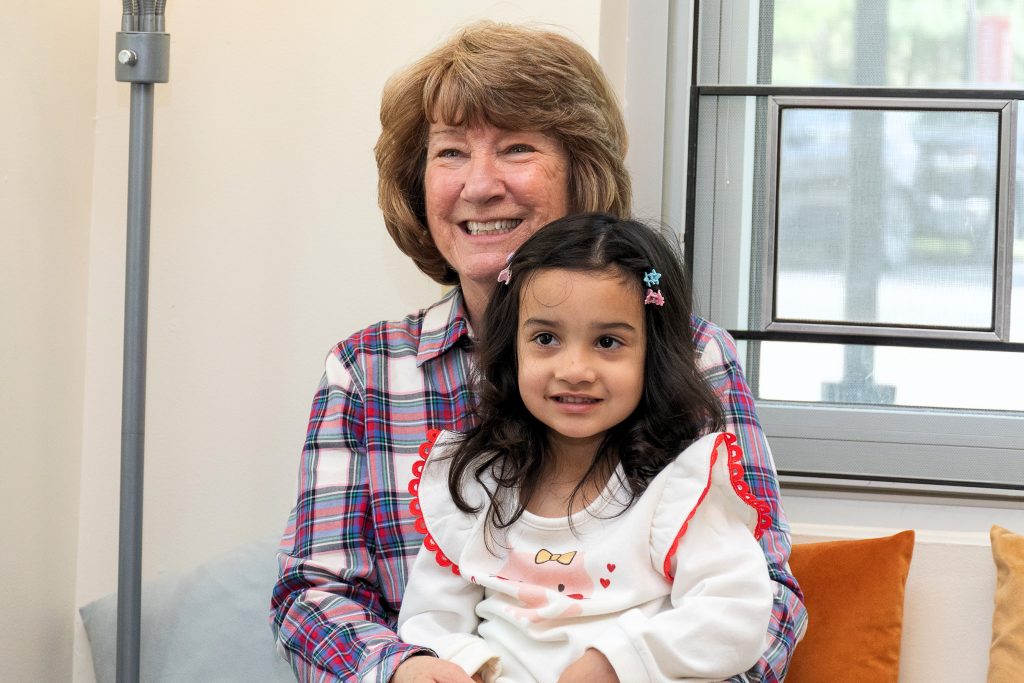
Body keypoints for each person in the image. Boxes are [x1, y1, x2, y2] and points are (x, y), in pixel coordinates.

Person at [270, 21, 806, 683]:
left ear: (583, 176)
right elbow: (312, 594)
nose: (479, 184)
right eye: (450, 153)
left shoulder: (690, 355)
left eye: (516, 148)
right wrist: (402, 668)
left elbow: (767, 598)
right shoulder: (367, 371)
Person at [397, 213, 775, 682]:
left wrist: (617, 664)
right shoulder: (475, 481)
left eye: (608, 341)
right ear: (511, 349)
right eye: (546, 339)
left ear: (652, 355)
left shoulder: (681, 490)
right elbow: (429, 620)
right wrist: (457, 665)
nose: (574, 368)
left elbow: (735, 617)